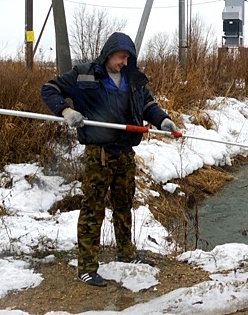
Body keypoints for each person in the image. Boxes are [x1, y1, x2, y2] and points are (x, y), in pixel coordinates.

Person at [41, 32, 179, 287]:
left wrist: (162, 120)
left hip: (125, 152)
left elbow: (147, 105)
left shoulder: (133, 79)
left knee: (124, 205)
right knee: (93, 209)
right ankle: (87, 267)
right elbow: (49, 88)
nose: (124, 62)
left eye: (128, 58)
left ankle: (126, 253)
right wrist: (66, 110)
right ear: (108, 54)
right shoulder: (84, 74)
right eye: (121, 57)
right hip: (99, 154)